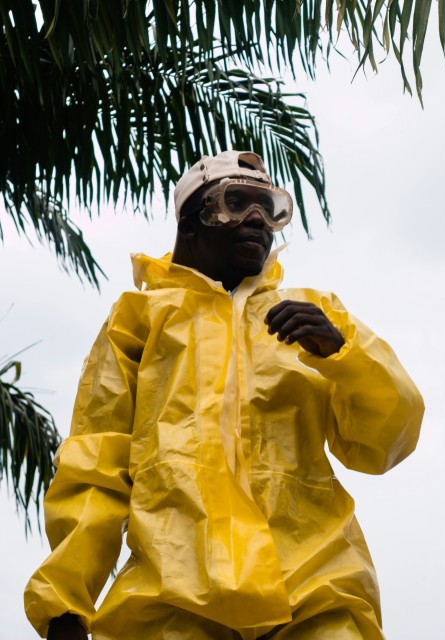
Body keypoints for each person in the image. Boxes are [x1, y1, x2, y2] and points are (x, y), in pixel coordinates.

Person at [25, 150, 424, 640]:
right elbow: (95, 465)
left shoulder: (315, 315)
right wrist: (66, 604)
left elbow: (387, 442)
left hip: (317, 591)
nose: (257, 222)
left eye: (269, 208)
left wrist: (342, 355)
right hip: (171, 599)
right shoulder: (139, 318)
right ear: (191, 222)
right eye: (236, 203)